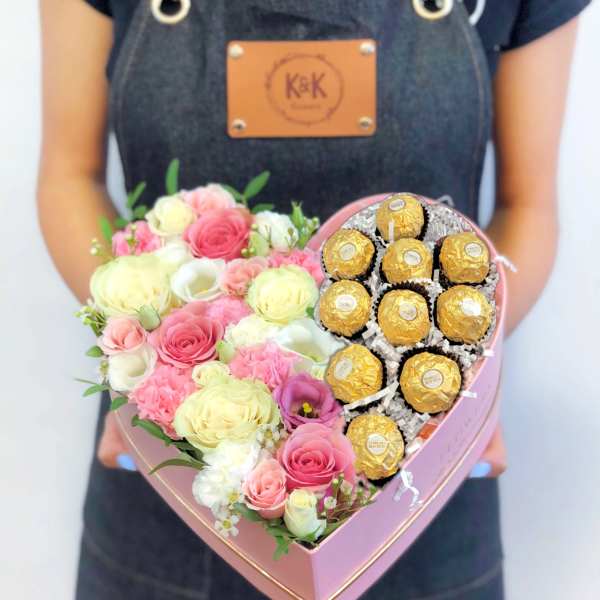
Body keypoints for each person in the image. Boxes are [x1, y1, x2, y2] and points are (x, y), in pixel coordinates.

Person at [38, 1, 589, 598]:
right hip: (177, 484)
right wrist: (148, 373)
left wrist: (462, 378)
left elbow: (527, 205)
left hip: (419, 484)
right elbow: (71, 175)